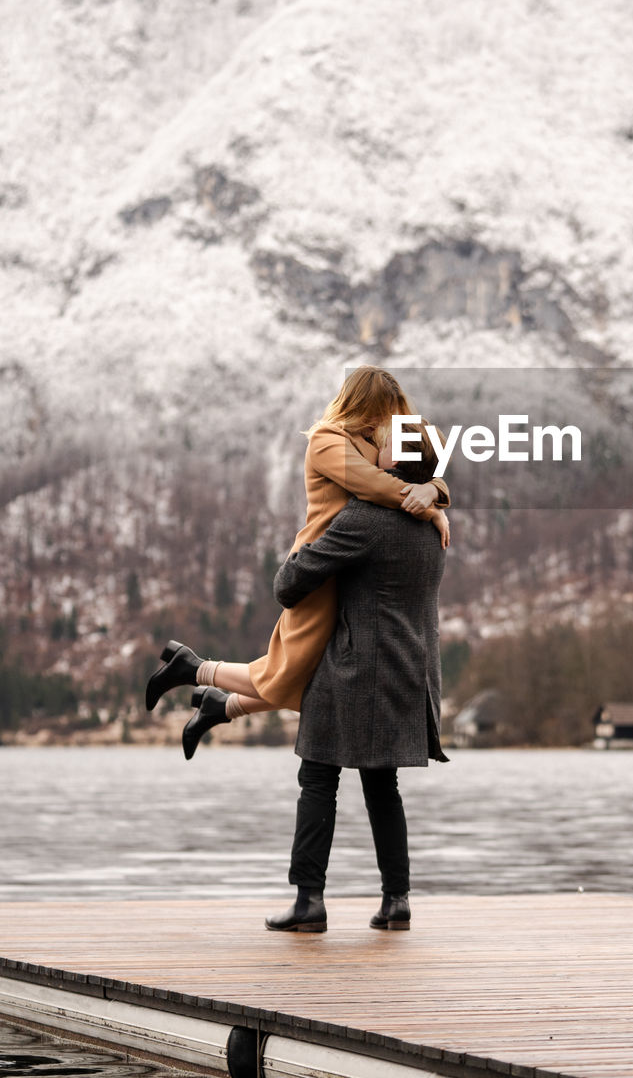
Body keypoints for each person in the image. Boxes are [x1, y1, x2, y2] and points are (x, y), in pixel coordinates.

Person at [144, 366, 450, 757]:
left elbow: (427, 457)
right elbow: (375, 487)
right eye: (379, 410)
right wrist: (428, 502)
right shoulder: (328, 440)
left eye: (391, 412)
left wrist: (434, 489)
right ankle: (195, 669)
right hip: (321, 564)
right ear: (359, 404)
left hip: (351, 569)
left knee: (317, 677)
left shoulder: (374, 441)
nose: (384, 421)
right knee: (292, 674)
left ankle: (219, 705)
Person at [263, 424, 449, 934]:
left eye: (383, 446)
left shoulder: (365, 519)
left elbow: (288, 586)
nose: (373, 449)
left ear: (395, 466)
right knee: (382, 785)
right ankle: (397, 900)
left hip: (357, 669)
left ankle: (308, 901)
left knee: (318, 776)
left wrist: (305, 542)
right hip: (412, 669)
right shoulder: (433, 526)